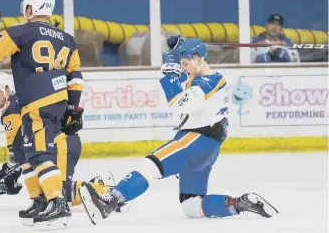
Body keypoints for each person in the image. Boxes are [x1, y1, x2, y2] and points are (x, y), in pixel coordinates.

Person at [78, 37, 278, 224]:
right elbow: (186, 85)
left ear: (198, 59)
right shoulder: (205, 78)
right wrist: (179, 47)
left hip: (195, 140)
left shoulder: (208, 82)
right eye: (182, 63)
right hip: (207, 147)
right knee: (191, 205)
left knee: (149, 165)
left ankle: (111, 201)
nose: (183, 68)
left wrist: (171, 73)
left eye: (185, 63)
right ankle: (240, 203)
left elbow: (180, 103)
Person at [0, 0, 83, 229]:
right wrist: (74, 108)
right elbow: (75, 76)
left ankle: (57, 203)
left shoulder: (20, 32)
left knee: (38, 154)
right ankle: (39, 201)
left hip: (36, 102)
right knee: (27, 155)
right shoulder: (67, 39)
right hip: (58, 103)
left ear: (29, 10)